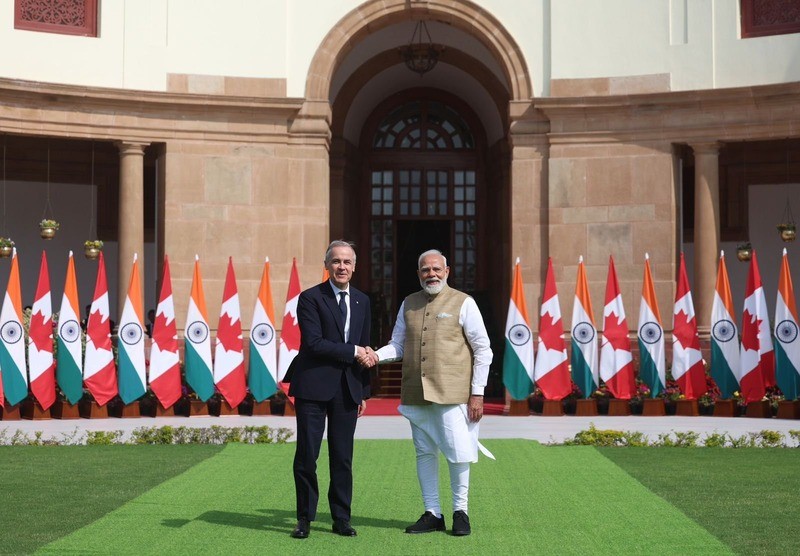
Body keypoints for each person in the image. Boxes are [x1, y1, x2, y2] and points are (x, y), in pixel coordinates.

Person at [369, 249, 493, 537]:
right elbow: (398, 345)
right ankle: (432, 513)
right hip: (416, 392)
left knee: (458, 453)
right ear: (418, 274)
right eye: (426, 270)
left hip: (453, 393)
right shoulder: (408, 303)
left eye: (437, 269)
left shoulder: (464, 302)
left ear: (447, 271)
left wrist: (477, 393)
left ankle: (460, 512)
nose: (432, 274)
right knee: (424, 452)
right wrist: (375, 356)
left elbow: (483, 349)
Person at [286, 240, 375, 539]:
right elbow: (314, 343)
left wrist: (362, 391)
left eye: (347, 262)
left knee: (342, 457)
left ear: (354, 266)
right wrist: (353, 351)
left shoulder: (363, 301)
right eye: (336, 261)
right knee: (307, 456)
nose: (342, 267)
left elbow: (364, 347)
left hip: (347, 390)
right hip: (313, 387)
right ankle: (304, 519)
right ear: (326, 265)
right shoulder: (310, 298)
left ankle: (341, 518)